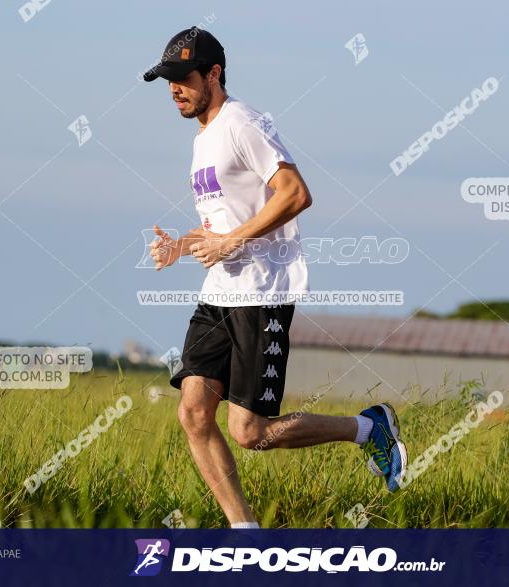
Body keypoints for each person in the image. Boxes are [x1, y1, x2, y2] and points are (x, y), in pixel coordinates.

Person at [143, 26, 407, 528]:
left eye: (182, 77)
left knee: (250, 432)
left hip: (261, 293)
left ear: (213, 74)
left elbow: (295, 193)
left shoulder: (243, 123)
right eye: (167, 80)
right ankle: (246, 534)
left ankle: (367, 427)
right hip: (218, 292)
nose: (174, 88)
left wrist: (233, 241)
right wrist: (183, 244)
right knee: (194, 414)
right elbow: (221, 225)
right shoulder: (203, 139)